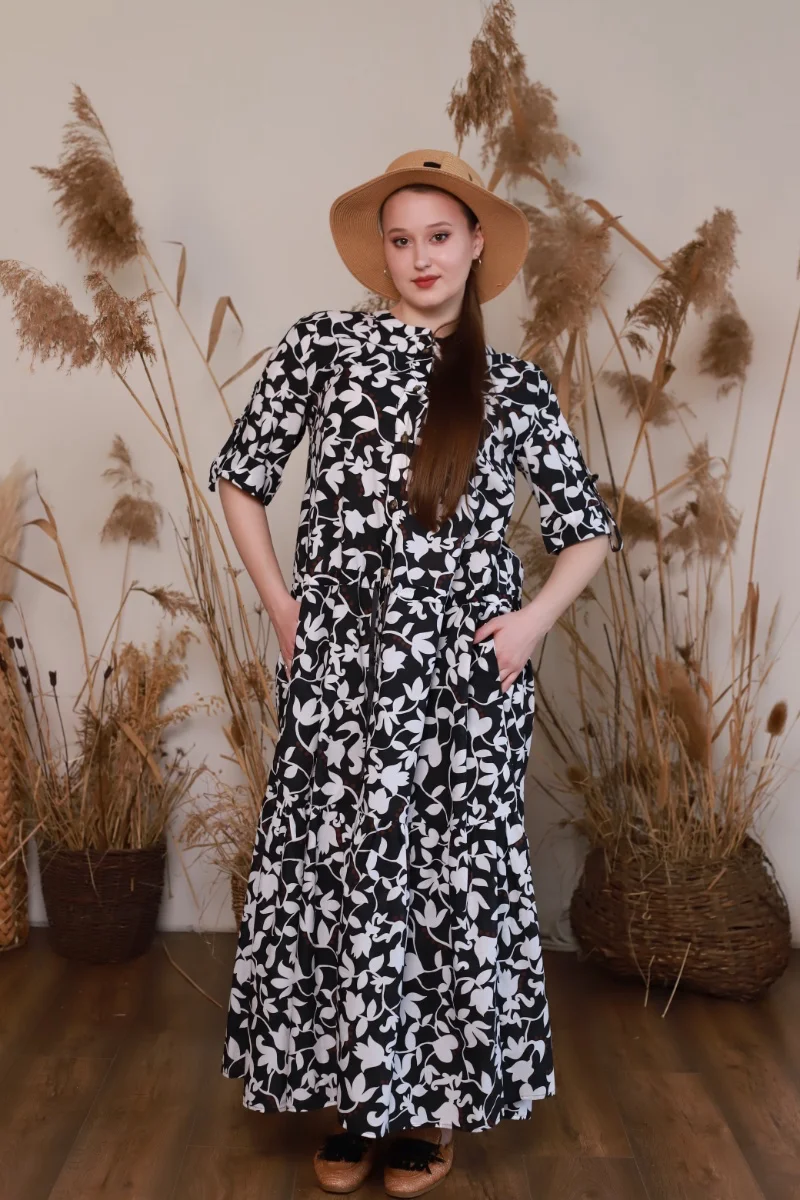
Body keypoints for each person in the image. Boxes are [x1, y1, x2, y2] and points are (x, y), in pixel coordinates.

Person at [209, 148, 623, 1196]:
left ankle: (430, 1110)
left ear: (476, 243)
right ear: (381, 252)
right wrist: (282, 604)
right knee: (339, 868)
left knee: (446, 881)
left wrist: (527, 627)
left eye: (439, 236)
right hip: (340, 672)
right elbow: (241, 479)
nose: (420, 257)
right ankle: (354, 1100)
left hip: (461, 686)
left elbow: (586, 530)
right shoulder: (323, 348)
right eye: (401, 240)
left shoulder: (511, 385)